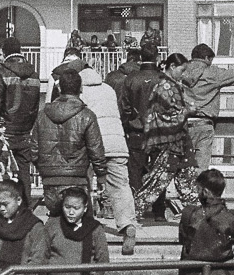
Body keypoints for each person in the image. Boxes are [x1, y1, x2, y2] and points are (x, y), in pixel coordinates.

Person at [33, 65, 107, 216]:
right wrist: (101, 176)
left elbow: (34, 149)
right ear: (80, 89)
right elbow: (96, 150)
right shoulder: (87, 116)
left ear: (59, 89)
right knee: (81, 227)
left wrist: (44, 167)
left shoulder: (42, 115)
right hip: (77, 178)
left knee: (55, 221)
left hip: (50, 180)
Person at [79, 64, 137, 253]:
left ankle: (85, 223)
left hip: (92, 143)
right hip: (116, 142)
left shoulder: (80, 91)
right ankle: (128, 224)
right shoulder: (108, 89)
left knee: (83, 183)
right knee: (120, 185)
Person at [133, 53, 198, 219]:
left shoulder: (171, 85)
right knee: (158, 179)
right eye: (182, 70)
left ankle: (196, 213)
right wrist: (187, 111)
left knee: (186, 176)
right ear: (172, 67)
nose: (183, 74)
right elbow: (164, 114)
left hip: (179, 140)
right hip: (170, 141)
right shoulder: (165, 87)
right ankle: (135, 209)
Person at [170, 42, 234, 174]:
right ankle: (197, 193)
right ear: (207, 58)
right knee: (200, 168)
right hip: (204, 124)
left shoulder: (180, 71)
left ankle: (183, 193)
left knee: (182, 167)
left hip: (182, 122)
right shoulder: (213, 73)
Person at [0, 36, 42, 207]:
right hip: (26, 130)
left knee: (1, 170)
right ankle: (25, 208)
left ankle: (3, 207)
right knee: (24, 171)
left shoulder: (2, 72)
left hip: (5, 129)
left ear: (4, 52)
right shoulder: (34, 73)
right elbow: (35, 104)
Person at [118, 44, 162, 190]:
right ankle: (158, 209)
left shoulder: (131, 78)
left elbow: (125, 107)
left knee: (135, 172)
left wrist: (128, 123)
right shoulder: (162, 78)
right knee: (157, 173)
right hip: (158, 132)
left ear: (141, 58)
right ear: (157, 57)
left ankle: (137, 206)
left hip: (136, 130)